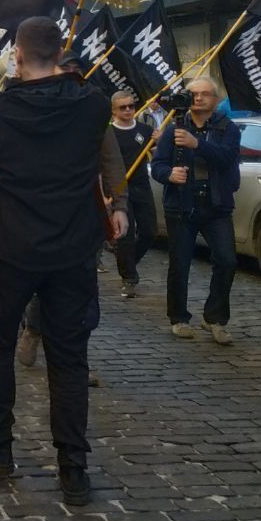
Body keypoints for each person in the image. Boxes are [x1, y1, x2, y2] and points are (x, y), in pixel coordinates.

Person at [0, 17, 126, 506]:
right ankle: (73, 468)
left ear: (19, 58)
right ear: (60, 51)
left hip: (12, 250)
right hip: (73, 251)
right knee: (69, 358)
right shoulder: (93, 106)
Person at [150, 76, 240, 342]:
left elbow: (226, 159)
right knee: (180, 264)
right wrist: (169, 174)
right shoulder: (174, 128)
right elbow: (157, 165)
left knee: (227, 260)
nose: (198, 98)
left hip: (216, 204)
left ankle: (214, 317)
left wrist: (197, 143)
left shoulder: (228, 128)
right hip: (181, 205)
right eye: (193, 93)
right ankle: (178, 317)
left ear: (216, 99)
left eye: (204, 94)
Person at [109, 91, 158, 299]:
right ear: (113, 111)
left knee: (150, 231)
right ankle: (128, 278)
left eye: (131, 106)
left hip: (141, 186)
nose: (128, 110)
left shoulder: (146, 130)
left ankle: (130, 262)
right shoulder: (108, 133)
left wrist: (160, 141)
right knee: (125, 236)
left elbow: (158, 155)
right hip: (119, 188)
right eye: (123, 107)